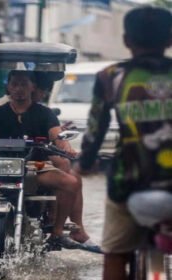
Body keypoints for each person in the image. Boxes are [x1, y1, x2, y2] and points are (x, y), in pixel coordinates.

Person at [74, 6, 171, 279]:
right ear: (170, 39)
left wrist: (85, 162)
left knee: (115, 253)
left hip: (129, 185)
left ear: (127, 40)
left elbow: (95, 131)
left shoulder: (111, 76)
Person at [0, 70, 97, 250]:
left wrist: (67, 148)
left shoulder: (45, 113)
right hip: (4, 166)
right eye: (15, 84)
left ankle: (58, 232)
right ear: (8, 87)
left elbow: (57, 136)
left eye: (24, 84)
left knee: (71, 183)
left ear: (33, 87)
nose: (19, 89)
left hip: (36, 167)